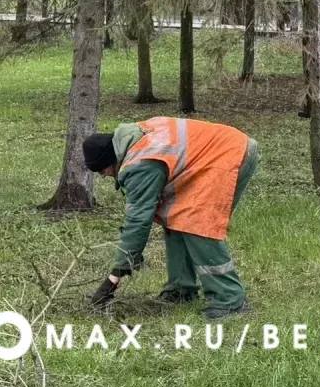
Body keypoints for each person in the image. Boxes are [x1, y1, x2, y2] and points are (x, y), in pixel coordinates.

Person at [82, 117, 259, 319]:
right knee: (176, 217)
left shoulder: (140, 163)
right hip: (213, 155)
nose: (104, 176)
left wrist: (117, 272)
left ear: (111, 160)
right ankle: (181, 290)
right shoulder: (132, 139)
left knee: (198, 224)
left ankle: (229, 301)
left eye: (102, 171)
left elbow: (138, 220)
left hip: (229, 155)